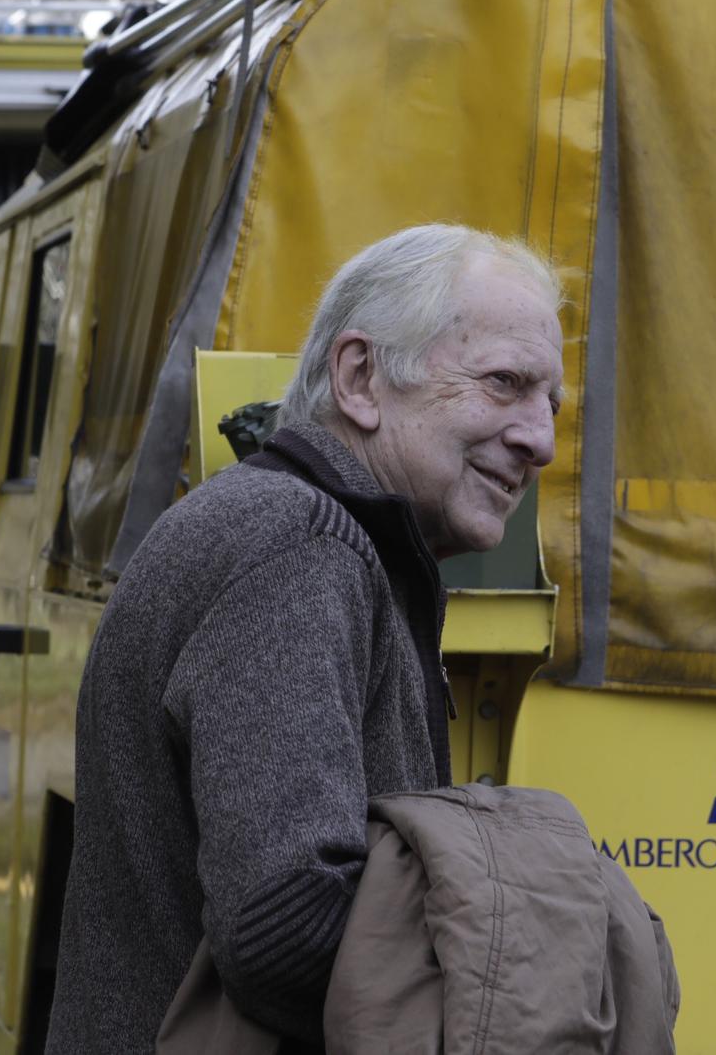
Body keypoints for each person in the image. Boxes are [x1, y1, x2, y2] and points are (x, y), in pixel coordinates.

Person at [46, 223, 564, 1052]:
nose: (538, 438)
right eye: (504, 383)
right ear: (360, 378)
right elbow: (284, 927)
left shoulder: (303, 535)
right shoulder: (298, 547)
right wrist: (540, 956)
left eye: (551, 404)